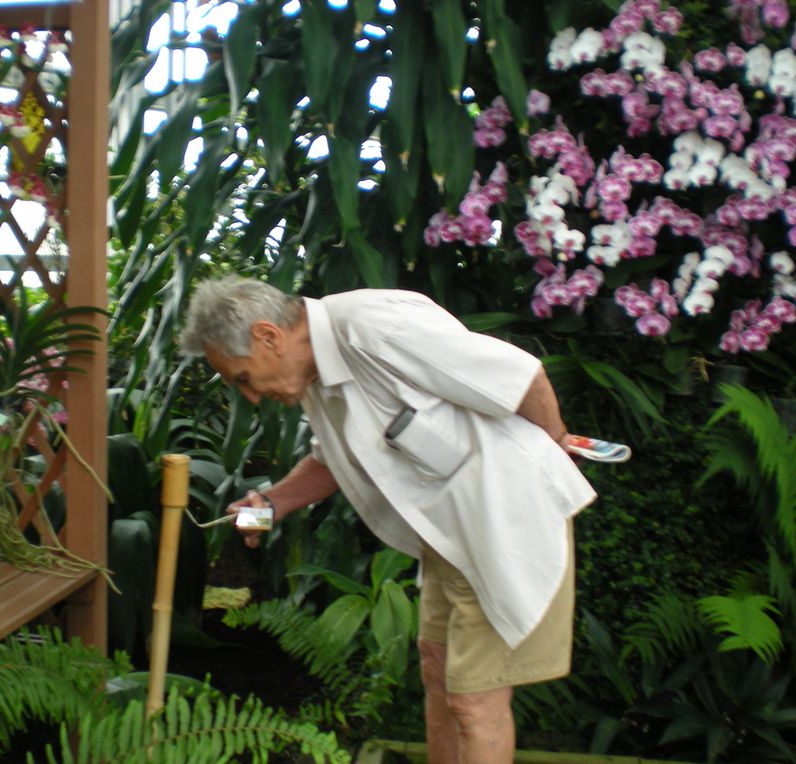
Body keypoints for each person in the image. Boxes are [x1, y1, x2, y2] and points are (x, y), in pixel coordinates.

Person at [180, 275, 596, 764]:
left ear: (268, 337)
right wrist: (272, 503)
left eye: (243, 378)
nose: (250, 397)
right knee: (438, 673)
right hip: (450, 539)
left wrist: (554, 449)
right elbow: (333, 458)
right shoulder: (317, 372)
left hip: (504, 527)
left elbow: (522, 375)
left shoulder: (375, 327)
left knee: (475, 700)